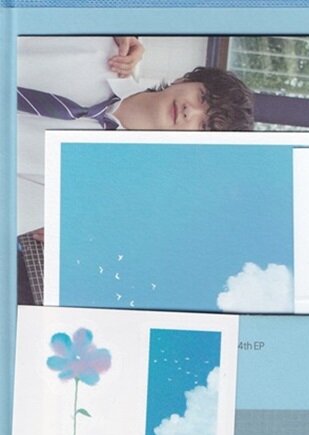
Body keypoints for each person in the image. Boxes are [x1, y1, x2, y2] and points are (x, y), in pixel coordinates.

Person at [17, 36, 254, 301]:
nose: (191, 111)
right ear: (184, 80)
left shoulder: (91, 189)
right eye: (202, 97)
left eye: (203, 126)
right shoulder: (102, 48)